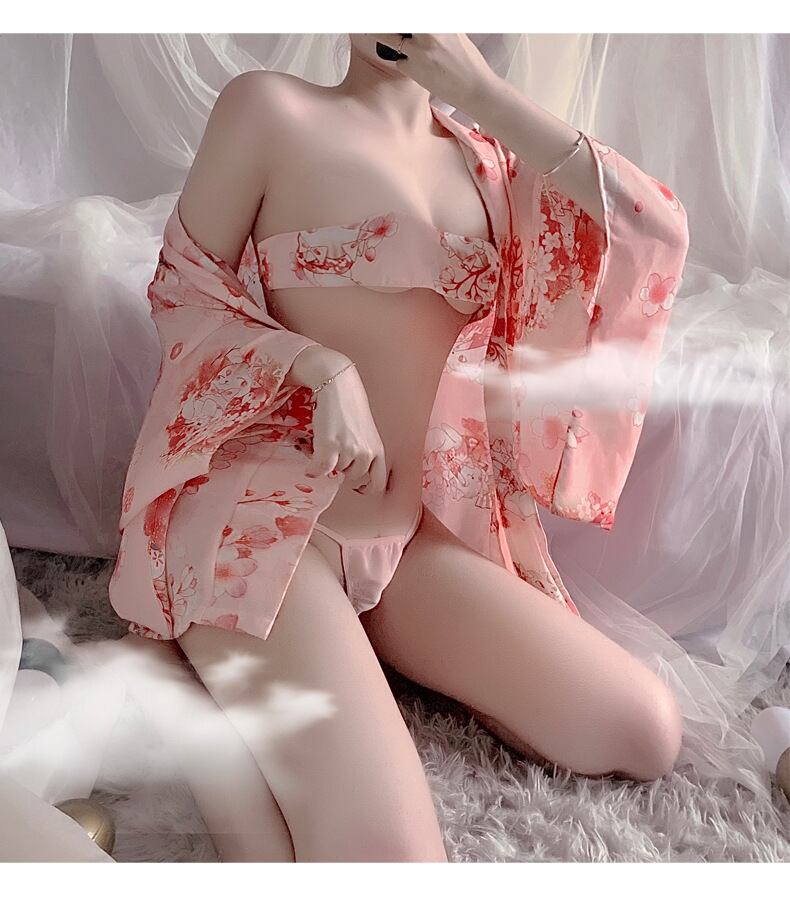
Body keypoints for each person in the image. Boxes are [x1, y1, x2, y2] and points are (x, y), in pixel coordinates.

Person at [109, 34, 689, 862]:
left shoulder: (492, 163)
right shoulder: (270, 110)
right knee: (392, 860)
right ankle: (180, 676)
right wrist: (318, 365)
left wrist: (479, 93)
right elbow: (184, 294)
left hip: (410, 544)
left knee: (645, 730)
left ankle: (329, 652)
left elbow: (650, 227)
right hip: (266, 519)